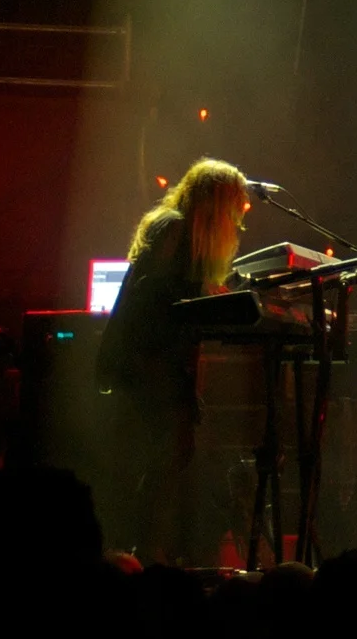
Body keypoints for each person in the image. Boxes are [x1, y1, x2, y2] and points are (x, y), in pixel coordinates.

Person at [94, 157, 250, 563]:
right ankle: (133, 561)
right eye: (231, 205)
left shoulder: (182, 234)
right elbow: (150, 305)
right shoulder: (172, 226)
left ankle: (147, 559)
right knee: (150, 476)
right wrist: (208, 300)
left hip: (164, 375)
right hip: (144, 374)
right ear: (212, 201)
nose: (237, 217)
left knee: (166, 476)